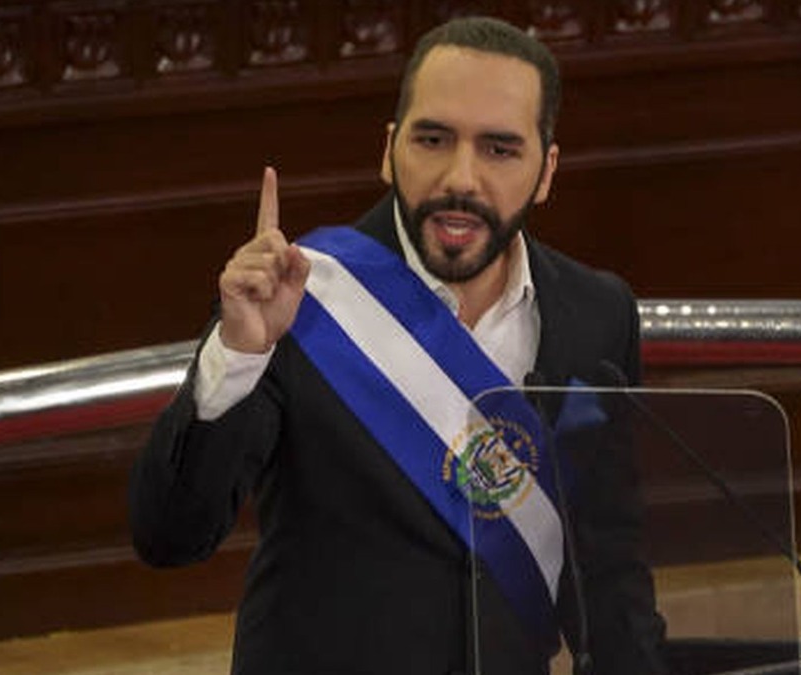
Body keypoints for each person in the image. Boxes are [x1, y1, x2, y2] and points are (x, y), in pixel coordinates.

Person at [129, 16, 667, 675]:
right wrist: (239, 355)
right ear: (389, 150)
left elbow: (608, 569)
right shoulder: (299, 298)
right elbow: (169, 535)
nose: (460, 177)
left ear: (546, 169)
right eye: (433, 139)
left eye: (500, 149)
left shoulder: (597, 314)